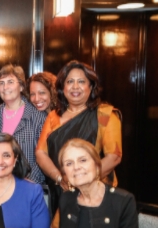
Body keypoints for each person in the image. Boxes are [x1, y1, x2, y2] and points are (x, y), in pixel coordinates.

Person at [35, 60, 122, 214]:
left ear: (91, 86)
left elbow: (114, 156)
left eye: (81, 81)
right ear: (63, 87)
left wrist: (82, 180)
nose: (75, 86)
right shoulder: (53, 116)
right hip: (61, 192)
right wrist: (60, 178)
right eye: (70, 82)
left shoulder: (105, 114)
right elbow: (41, 153)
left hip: (94, 192)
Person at [58, 138, 140, 228]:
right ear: (65, 173)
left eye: (83, 160)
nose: (76, 167)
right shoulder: (66, 199)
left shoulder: (123, 201)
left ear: (97, 165)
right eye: (69, 163)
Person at [0, 64, 47, 183]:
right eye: (1, 83)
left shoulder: (37, 116)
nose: (5, 87)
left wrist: (28, 183)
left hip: (29, 184)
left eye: (10, 82)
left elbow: (44, 155)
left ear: (22, 87)